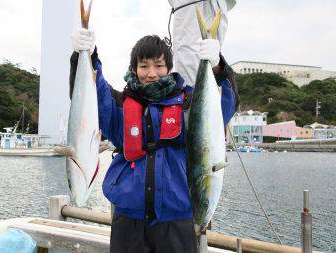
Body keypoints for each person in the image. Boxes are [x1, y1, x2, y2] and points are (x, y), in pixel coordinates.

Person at [69, 27, 239, 253]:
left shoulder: (189, 103)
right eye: (144, 66)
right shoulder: (119, 105)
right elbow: (90, 95)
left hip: (177, 221)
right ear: (134, 69)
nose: (152, 73)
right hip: (128, 221)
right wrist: (86, 55)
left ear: (169, 68)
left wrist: (218, 67)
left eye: (159, 66)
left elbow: (225, 106)